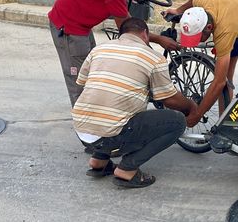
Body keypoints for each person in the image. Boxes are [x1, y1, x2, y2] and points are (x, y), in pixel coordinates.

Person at [72, 18, 198, 188]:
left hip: (82, 130)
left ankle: (98, 161)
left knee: (114, 110)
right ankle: (127, 169)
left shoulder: (99, 49)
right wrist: (190, 106)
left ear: (121, 34)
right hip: (111, 135)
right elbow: (169, 99)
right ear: (145, 34)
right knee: (176, 122)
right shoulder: (153, 57)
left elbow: (82, 84)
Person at [48, 0, 179, 108]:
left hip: (82, 25)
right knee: (80, 79)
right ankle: (85, 124)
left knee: (91, 72)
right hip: (68, 26)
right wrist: (159, 39)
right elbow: (128, 30)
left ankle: (97, 113)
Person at [166, 0, 238, 127]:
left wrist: (197, 115)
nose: (196, 43)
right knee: (226, 77)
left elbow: (218, 82)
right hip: (235, 18)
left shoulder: (223, 31)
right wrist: (178, 10)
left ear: (209, 27)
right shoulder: (201, 0)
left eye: (197, 37)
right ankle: (225, 125)